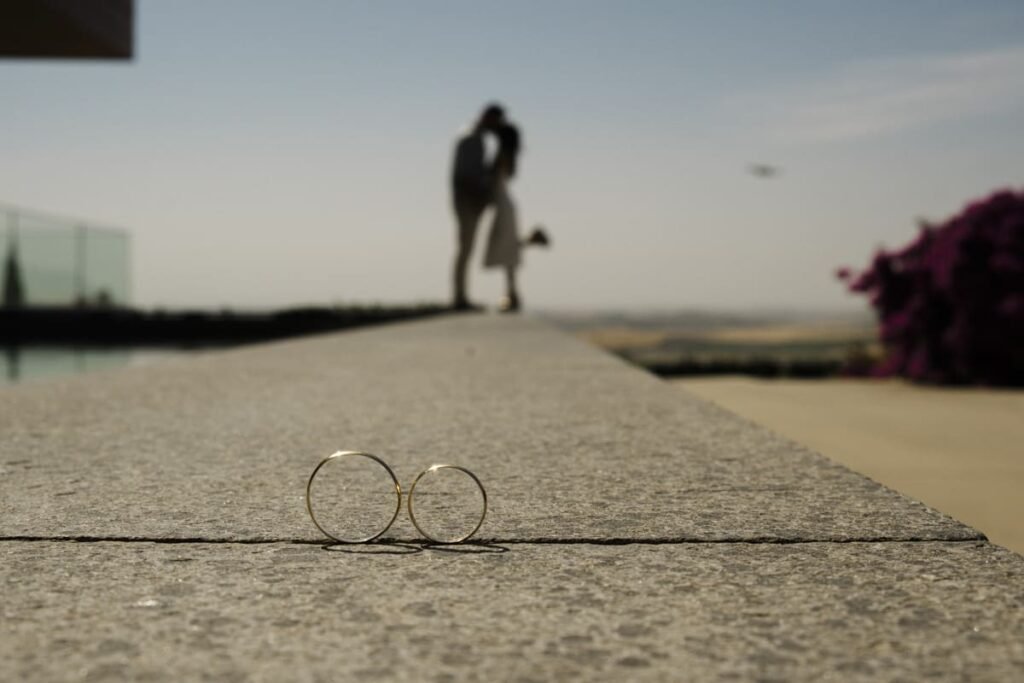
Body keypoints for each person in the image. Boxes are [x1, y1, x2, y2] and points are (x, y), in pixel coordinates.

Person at [450, 103, 505, 310]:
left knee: (466, 249)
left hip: (470, 200)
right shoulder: (470, 137)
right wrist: (481, 195)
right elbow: (465, 176)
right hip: (467, 201)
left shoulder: (476, 137)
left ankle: (461, 296)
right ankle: (459, 298)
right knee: (465, 248)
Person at [482, 123, 525, 312]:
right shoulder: (510, 156)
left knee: (507, 250)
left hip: (502, 205)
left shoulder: (501, 156)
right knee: (509, 251)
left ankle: (511, 294)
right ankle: (511, 293)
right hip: (506, 204)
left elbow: (490, 180)